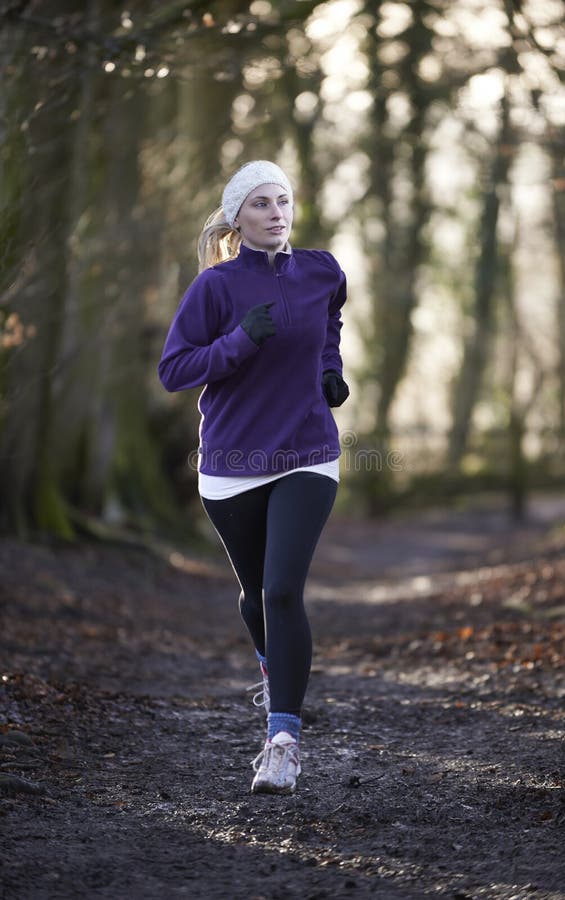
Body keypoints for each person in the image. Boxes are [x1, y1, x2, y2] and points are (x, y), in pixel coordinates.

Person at [158, 160, 349, 794]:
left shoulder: (322, 271)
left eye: (284, 200)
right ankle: (273, 664)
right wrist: (239, 340)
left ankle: (283, 741)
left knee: (283, 592)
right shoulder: (214, 289)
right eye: (262, 203)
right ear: (237, 217)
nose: (277, 212)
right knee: (254, 596)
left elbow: (330, 328)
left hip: (308, 450)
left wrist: (329, 370)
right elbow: (176, 370)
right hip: (233, 461)